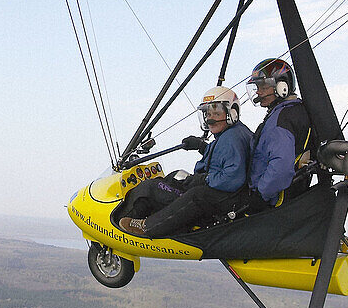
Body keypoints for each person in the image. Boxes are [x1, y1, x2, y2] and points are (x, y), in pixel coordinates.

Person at [119, 86, 252, 238]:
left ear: (232, 112)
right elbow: (223, 159)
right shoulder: (233, 133)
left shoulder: (231, 139)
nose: (210, 119)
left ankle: (141, 227)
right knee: (174, 177)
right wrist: (203, 147)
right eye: (208, 113)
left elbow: (232, 178)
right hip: (222, 193)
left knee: (150, 188)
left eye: (216, 113)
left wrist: (205, 179)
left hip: (219, 198)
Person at [244, 57, 317, 210]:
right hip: (290, 199)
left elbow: (281, 167)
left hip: (275, 203)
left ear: (282, 86)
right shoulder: (291, 111)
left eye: (263, 87)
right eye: (257, 87)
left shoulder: (282, 119)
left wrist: (261, 195)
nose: (258, 92)